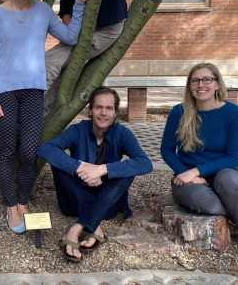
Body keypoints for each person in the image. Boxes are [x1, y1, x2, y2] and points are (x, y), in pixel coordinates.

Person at [0, 0, 92, 234]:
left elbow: (69, 36)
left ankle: (22, 201)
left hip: (33, 90)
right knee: (6, 151)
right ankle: (10, 206)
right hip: (3, 91)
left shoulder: (43, 11)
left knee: (30, 151)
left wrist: (78, 6)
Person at [160, 63, 238, 255]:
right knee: (203, 200)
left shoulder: (233, 113)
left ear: (217, 85)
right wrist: (186, 174)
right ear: (189, 86)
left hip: (221, 174)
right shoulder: (179, 112)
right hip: (188, 182)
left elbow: (233, 158)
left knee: (228, 178)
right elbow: (167, 150)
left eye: (207, 79)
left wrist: (196, 171)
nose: (200, 85)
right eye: (195, 80)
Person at [38, 87, 153, 262]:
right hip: (72, 201)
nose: (103, 113)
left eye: (109, 108)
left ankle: (76, 229)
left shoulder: (122, 133)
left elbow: (145, 163)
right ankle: (94, 226)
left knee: (127, 172)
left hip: (107, 204)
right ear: (90, 110)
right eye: (98, 107)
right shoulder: (78, 130)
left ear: (115, 112)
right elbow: (46, 149)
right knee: (59, 164)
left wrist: (101, 169)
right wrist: (79, 168)